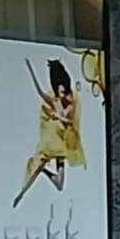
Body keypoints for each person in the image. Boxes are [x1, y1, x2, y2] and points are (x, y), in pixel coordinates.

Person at [14, 59, 84, 209]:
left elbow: (69, 120)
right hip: (53, 143)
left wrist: (60, 117)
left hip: (61, 145)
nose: (61, 92)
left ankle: (43, 170)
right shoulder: (55, 101)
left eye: (63, 90)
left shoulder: (70, 104)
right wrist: (30, 69)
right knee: (37, 168)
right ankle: (22, 192)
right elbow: (40, 92)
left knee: (59, 184)